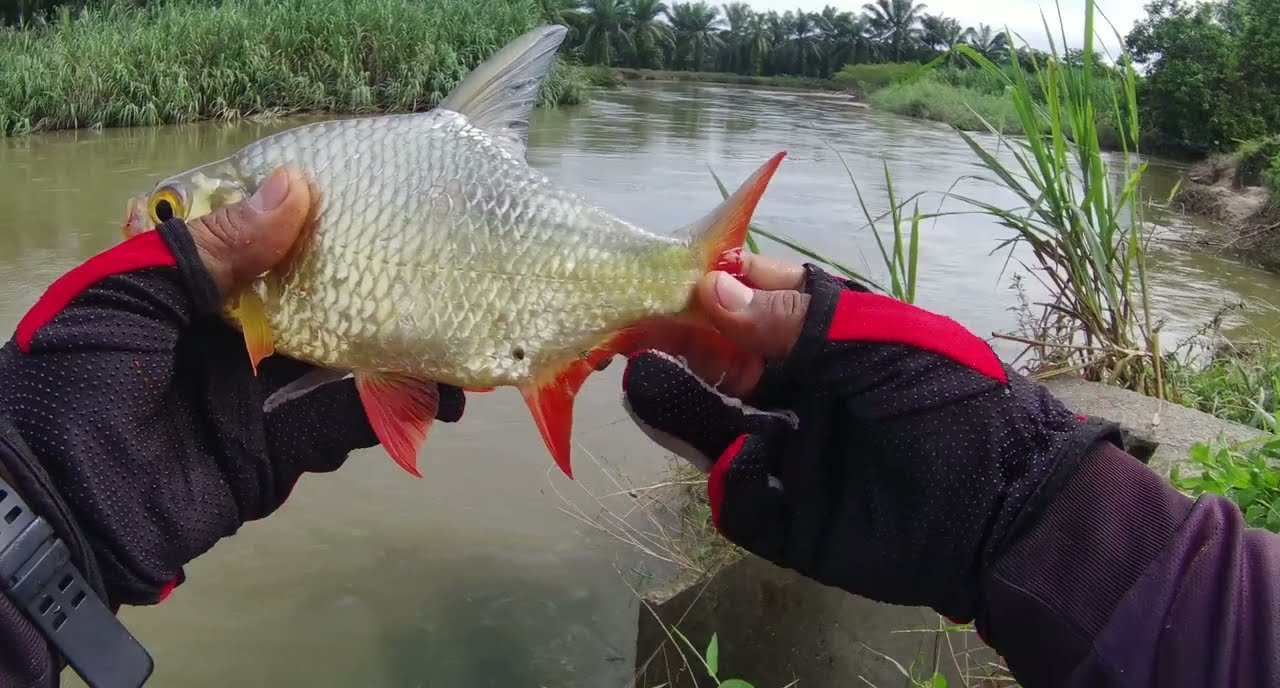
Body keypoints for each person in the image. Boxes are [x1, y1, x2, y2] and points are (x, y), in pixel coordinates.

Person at [0, 168, 1273, 688]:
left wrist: (29, 529)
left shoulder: (279, 217)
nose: (161, 230)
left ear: (241, 212)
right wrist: (1042, 516)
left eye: (174, 210)